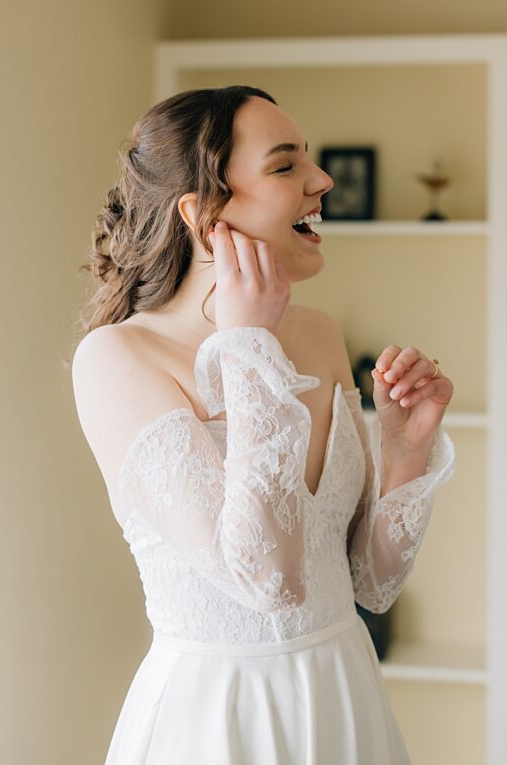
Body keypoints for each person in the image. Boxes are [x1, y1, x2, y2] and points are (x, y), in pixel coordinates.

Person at [71, 87, 455, 764]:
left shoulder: (320, 332)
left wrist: (404, 446)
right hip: (222, 717)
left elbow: (368, 581)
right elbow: (266, 581)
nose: (322, 180)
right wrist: (246, 347)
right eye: (285, 166)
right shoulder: (116, 358)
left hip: (345, 691)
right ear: (202, 212)